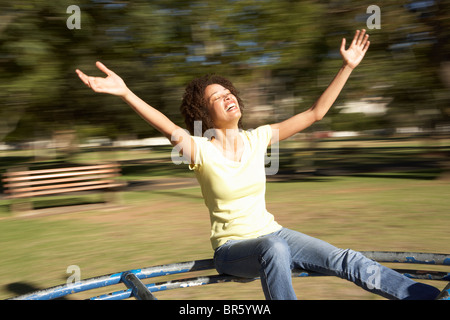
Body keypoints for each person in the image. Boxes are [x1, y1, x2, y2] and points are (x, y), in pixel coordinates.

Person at [76, 30, 440, 300]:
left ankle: (424, 297)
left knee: (346, 258)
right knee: (275, 250)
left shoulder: (258, 137)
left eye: (228, 91)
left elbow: (316, 113)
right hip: (234, 250)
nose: (227, 96)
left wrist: (347, 67)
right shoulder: (200, 149)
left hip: (274, 234)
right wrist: (125, 92)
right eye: (216, 97)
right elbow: (167, 126)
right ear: (205, 113)